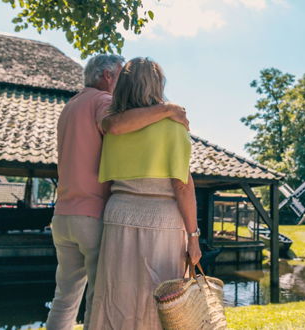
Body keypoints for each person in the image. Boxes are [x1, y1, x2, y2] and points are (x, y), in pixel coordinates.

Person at [46, 54, 189, 330]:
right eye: (121, 76)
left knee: (64, 298)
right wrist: (168, 109)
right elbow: (117, 125)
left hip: (63, 214)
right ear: (108, 76)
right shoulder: (103, 102)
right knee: (100, 299)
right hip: (92, 214)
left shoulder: (71, 105)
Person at [89, 57, 202, 330]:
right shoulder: (173, 126)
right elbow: (182, 186)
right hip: (161, 220)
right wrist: (193, 237)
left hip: (118, 215)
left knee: (117, 297)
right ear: (157, 86)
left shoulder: (112, 127)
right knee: (159, 302)